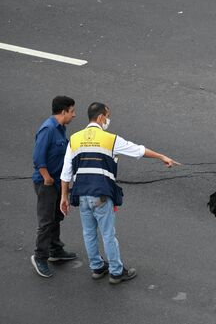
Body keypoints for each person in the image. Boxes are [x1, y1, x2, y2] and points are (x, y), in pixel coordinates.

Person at [59, 102, 179, 285]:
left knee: (88, 233)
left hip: (81, 194)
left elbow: (66, 172)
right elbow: (137, 150)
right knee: (108, 234)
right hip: (100, 194)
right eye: (107, 116)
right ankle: (116, 272)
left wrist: (64, 197)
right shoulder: (110, 139)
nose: (108, 119)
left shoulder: (74, 139)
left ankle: (97, 268)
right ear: (100, 117)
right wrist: (162, 156)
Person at [31, 96, 78, 278]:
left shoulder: (61, 129)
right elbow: (38, 157)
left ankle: (55, 250)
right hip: (47, 183)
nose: (74, 115)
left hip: (58, 181)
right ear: (63, 111)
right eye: (72, 111)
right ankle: (40, 257)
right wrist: (46, 177)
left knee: (57, 215)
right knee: (46, 221)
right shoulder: (48, 129)